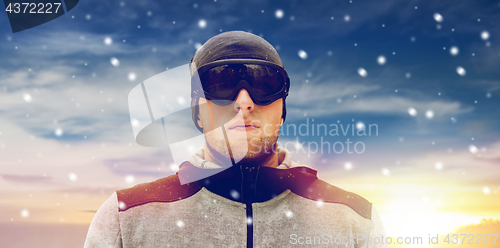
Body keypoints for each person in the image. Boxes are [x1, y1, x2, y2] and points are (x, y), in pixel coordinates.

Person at [84, 31, 388, 248]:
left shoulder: (354, 219)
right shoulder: (126, 218)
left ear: (283, 110)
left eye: (265, 83)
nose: (243, 102)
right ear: (198, 114)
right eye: (220, 84)